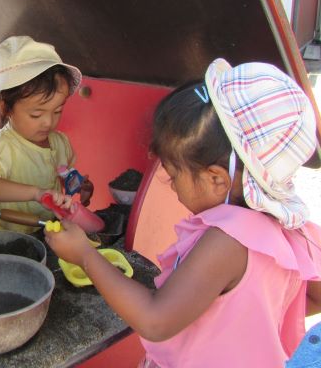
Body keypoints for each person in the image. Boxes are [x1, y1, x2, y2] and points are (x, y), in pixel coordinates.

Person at [46, 58, 321, 367]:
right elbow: (313, 296)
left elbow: (155, 320)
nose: (171, 183)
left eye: (174, 173)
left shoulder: (227, 241)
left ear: (217, 179)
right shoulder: (292, 229)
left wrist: (85, 255)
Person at [0, 36, 93, 233]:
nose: (48, 122)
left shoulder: (60, 143)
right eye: (36, 114)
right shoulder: (1, 147)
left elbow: (62, 176)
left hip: (46, 232)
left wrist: (79, 187)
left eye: (57, 111)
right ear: (6, 108)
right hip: (3, 239)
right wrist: (36, 193)